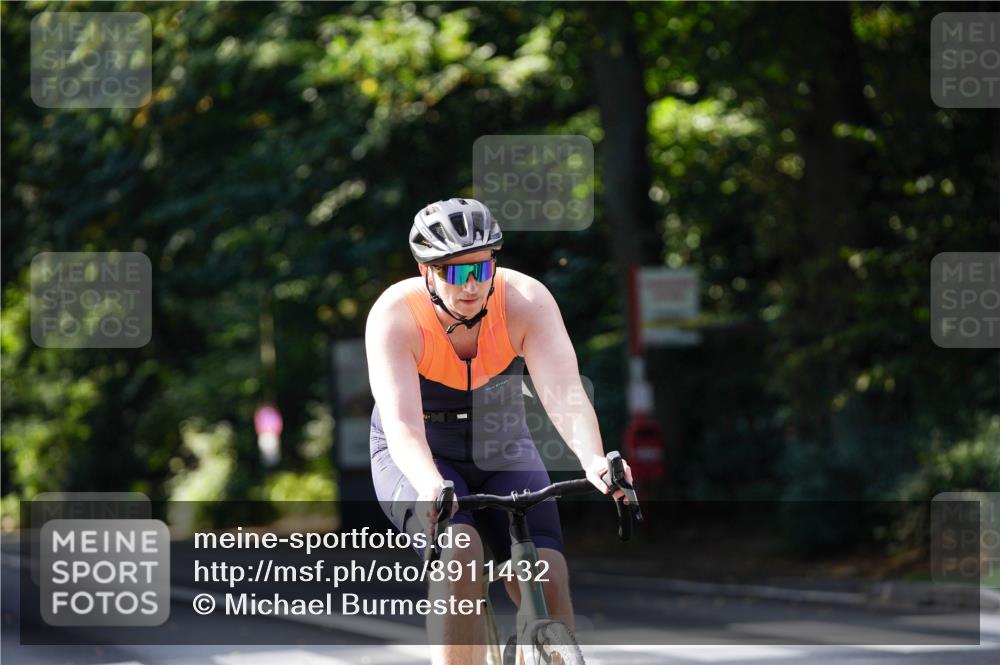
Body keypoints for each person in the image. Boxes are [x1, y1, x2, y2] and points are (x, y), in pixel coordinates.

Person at [366, 198, 632, 664]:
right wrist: (431, 485)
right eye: (455, 273)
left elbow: (564, 393)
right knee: (460, 551)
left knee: (546, 571)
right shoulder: (395, 315)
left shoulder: (525, 300)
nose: (472, 286)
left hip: (501, 442)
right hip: (420, 449)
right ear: (427, 273)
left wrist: (595, 461)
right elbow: (403, 425)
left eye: (482, 268)